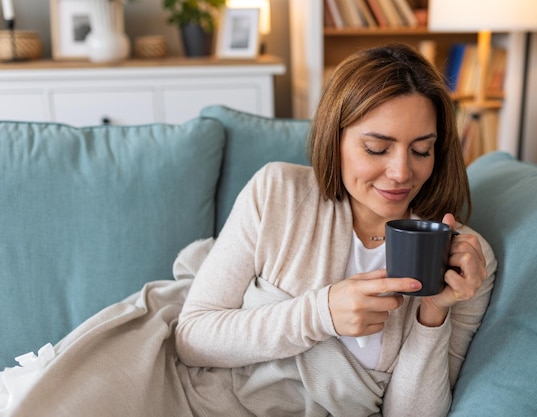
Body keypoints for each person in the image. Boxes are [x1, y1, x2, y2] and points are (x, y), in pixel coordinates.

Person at [1, 43, 495, 417]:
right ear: (336, 138)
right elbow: (193, 337)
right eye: (376, 147)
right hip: (193, 399)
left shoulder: (463, 262)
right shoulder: (280, 192)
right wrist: (321, 311)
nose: (401, 172)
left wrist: (433, 315)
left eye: (421, 149)